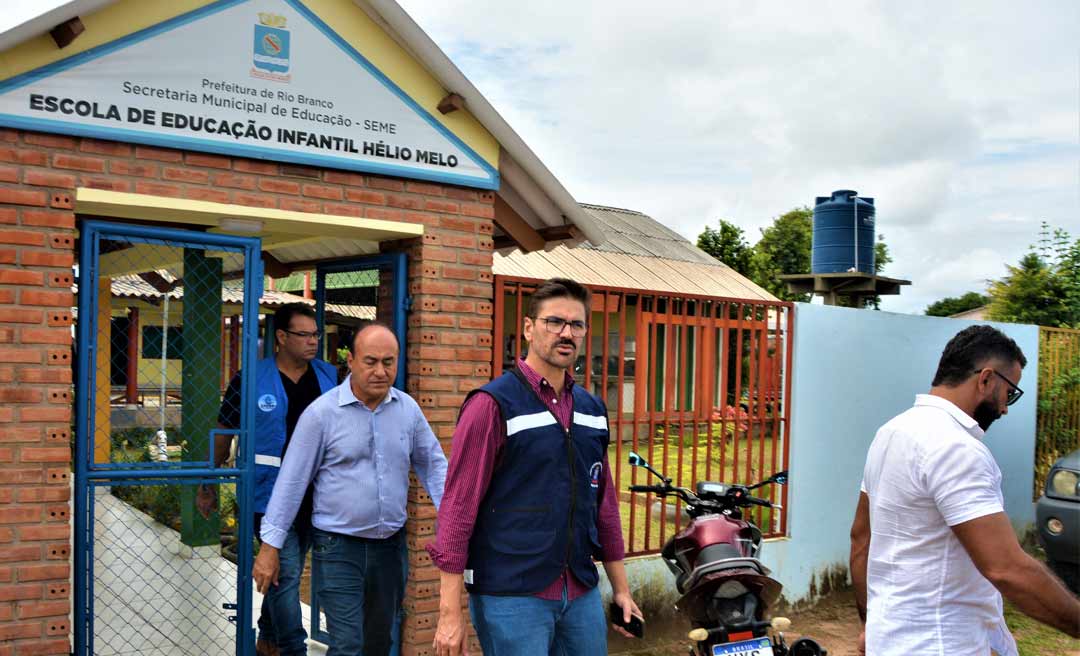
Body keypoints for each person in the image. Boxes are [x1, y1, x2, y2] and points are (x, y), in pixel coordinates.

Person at [430, 277, 642, 656]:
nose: (566, 333)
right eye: (554, 322)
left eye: (576, 325)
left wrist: (621, 590)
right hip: (511, 595)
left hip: (580, 592)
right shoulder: (491, 405)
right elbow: (458, 509)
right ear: (528, 328)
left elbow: (604, 505)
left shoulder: (592, 411)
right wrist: (449, 612)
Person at [849, 325, 1080, 655]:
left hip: (891, 641)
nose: (1005, 408)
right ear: (986, 379)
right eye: (1010, 392)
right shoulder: (956, 448)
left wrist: (871, 624)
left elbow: (861, 539)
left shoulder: (891, 433)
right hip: (943, 644)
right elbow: (1007, 569)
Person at [253, 322, 447, 656]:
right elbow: (292, 482)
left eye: (389, 362)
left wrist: (455, 518)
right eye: (370, 361)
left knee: (378, 643)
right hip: (338, 548)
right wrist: (271, 546)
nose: (380, 371)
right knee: (347, 645)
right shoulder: (322, 414)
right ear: (351, 361)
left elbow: (435, 467)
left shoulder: (407, 410)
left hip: (390, 549)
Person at [206, 302, 338, 656]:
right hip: (266, 494)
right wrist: (209, 483)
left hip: (316, 495)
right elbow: (224, 431)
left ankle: (266, 637)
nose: (313, 342)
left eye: (316, 335)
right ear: (281, 337)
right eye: (304, 335)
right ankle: (292, 648)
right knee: (289, 575)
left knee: (282, 576)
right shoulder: (250, 379)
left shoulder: (329, 377)